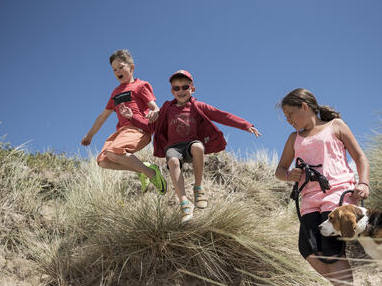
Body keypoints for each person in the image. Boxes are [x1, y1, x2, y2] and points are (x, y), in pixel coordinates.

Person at [275, 88, 370, 286]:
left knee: (331, 251)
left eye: (290, 114)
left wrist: (363, 183)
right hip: (308, 202)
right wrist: (290, 175)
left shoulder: (336, 126)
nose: (288, 120)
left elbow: (360, 157)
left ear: (305, 107)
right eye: (286, 117)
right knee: (307, 249)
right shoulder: (294, 139)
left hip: (337, 196)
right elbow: (279, 170)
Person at [153, 70, 262, 222]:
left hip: (191, 144)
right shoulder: (167, 108)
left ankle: (198, 188)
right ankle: (184, 202)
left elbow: (221, 115)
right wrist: (134, 117)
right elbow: (152, 124)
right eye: (176, 88)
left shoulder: (197, 106)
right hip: (174, 147)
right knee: (172, 161)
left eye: (185, 87)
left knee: (198, 147)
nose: (181, 91)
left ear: (192, 89)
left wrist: (245, 125)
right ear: (172, 91)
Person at [81, 49, 167, 194]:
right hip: (121, 132)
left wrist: (155, 113)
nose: (117, 71)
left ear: (131, 67)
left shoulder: (141, 85)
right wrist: (90, 135)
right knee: (103, 160)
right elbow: (103, 116)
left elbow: (155, 107)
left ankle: (152, 174)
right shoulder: (115, 93)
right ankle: (143, 168)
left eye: (121, 67)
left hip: (138, 130)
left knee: (113, 152)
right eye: (114, 69)